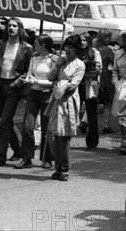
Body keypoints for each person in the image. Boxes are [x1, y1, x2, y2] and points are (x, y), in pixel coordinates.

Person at [0, 18, 32, 166]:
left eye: (14, 26)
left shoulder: (27, 47)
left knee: (4, 122)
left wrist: (20, 81)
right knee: (7, 121)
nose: (11, 28)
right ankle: (18, 150)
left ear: (20, 29)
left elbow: (30, 70)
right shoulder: (0, 44)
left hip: (14, 87)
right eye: (9, 26)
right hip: (0, 86)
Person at [47, 35, 85, 181]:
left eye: (72, 47)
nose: (68, 50)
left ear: (77, 49)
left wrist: (62, 83)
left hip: (68, 101)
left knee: (64, 135)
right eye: (67, 46)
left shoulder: (80, 64)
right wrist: (57, 66)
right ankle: (57, 166)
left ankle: (65, 167)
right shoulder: (60, 62)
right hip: (57, 100)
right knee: (55, 135)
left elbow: (74, 84)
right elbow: (50, 78)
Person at [17, 34, 58, 169]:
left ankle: (47, 158)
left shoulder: (53, 59)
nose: (34, 45)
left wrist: (38, 81)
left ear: (44, 45)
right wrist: (28, 80)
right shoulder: (34, 59)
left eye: (37, 43)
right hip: (33, 94)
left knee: (46, 129)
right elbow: (30, 74)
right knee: (28, 125)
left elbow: (53, 82)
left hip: (47, 95)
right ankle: (26, 157)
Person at [78, 32, 102, 150]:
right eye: (81, 40)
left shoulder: (94, 53)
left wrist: (84, 73)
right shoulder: (76, 53)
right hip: (77, 86)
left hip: (90, 86)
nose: (82, 43)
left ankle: (92, 142)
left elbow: (98, 70)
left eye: (84, 40)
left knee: (91, 115)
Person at [93, 29, 116, 134]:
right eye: (107, 37)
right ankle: (106, 125)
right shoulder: (107, 50)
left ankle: (85, 122)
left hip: (94, 78)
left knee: (93, 102)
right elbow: (115, 63)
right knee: (108, 102)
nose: (109, 40)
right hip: (105, 78)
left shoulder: (93, 48)